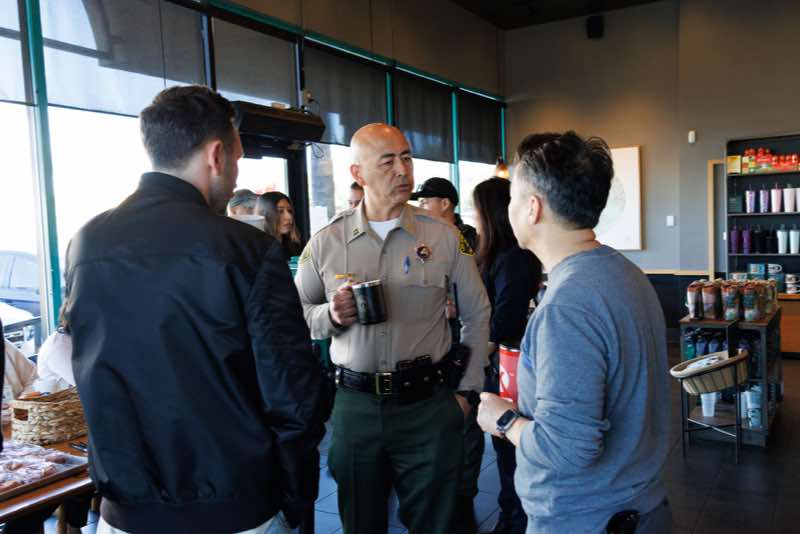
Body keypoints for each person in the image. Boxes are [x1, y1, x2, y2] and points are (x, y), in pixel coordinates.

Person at [64, 85, 325, 534]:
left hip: (124, 511)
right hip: (236, 507)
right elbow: (292, 394)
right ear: (217, 155)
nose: (236, 172)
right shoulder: (247, 249)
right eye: (238, 158)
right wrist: (294, 496)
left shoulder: (85, 243)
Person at [294, 123, 490, 534]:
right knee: (360, 522)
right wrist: (331, 316)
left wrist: (466, 393)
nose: (403, 170)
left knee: (436, 523)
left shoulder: (445, 237)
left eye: (406, 158)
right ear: (358, 173)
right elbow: (297, 315)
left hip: (428, 404)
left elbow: (477, 314)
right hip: (356, 407)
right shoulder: (327, 241)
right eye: (388, 161)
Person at [477, 131, 672, 534]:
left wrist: (503, 420)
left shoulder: (566, 305)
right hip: (639, 506)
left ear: (532, 208)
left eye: (513, 196)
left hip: (588, 518)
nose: (509, 207)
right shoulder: (626, 273)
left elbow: (566, 449)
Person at [472, 178, 541, 534]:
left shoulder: (512, 258)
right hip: (503, 362)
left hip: (508, 366)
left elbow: (506, 320)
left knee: (510, 452)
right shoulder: (503, 256)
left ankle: (514, 522)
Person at [412, 177, 478, 252]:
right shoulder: (424, 234)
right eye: (419, 202)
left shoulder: (465, 236)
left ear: (445, 204)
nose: (419, 207)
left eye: (423, 202)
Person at [255, 191, 303, 259]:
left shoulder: (295, 245)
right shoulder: (257, 249)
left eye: (289, 211)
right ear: (265, 214)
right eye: (280, 211)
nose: (289, 217)